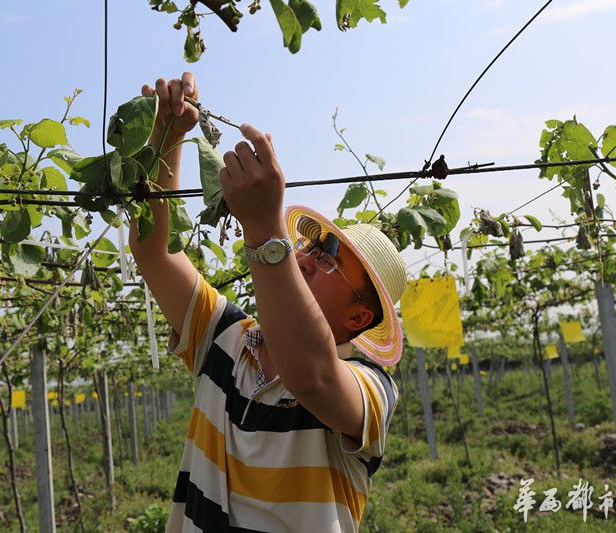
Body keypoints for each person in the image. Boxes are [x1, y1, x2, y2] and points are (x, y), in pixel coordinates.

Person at [129, 72, 408, 533]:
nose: (310, 257)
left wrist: (263, 230)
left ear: (359, 316)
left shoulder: (372, 390)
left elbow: (312, 377)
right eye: (313, 245)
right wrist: (165, 138)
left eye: (331, 259)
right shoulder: (225, 337)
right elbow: (155, 252)